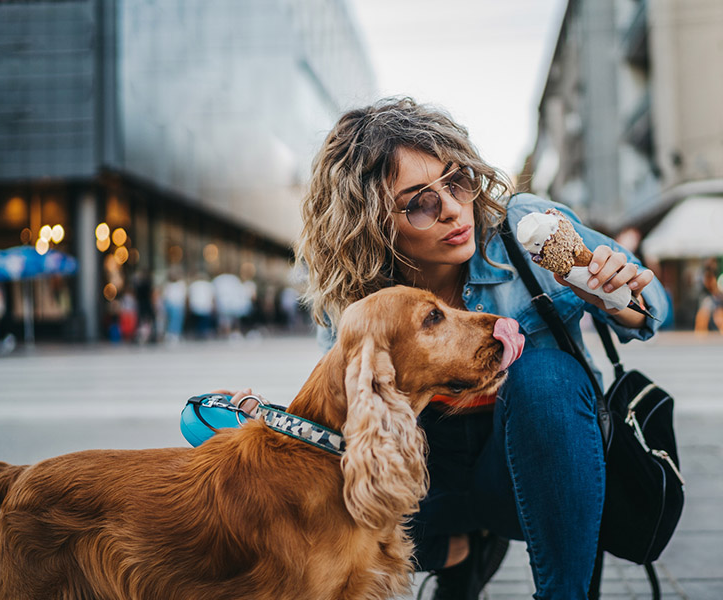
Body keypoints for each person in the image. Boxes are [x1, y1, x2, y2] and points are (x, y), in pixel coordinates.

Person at [222, 98, 669, 600]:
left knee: (545, 374)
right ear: (374, 222)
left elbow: (653, 306)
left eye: (457, 181)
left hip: (537, 463)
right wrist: (263, 422)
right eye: (420, 202)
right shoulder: (359, 299)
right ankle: (454, 552)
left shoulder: (522, 227)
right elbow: (342, 415)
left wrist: (614, 296)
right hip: (426, 481)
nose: (454, 209)